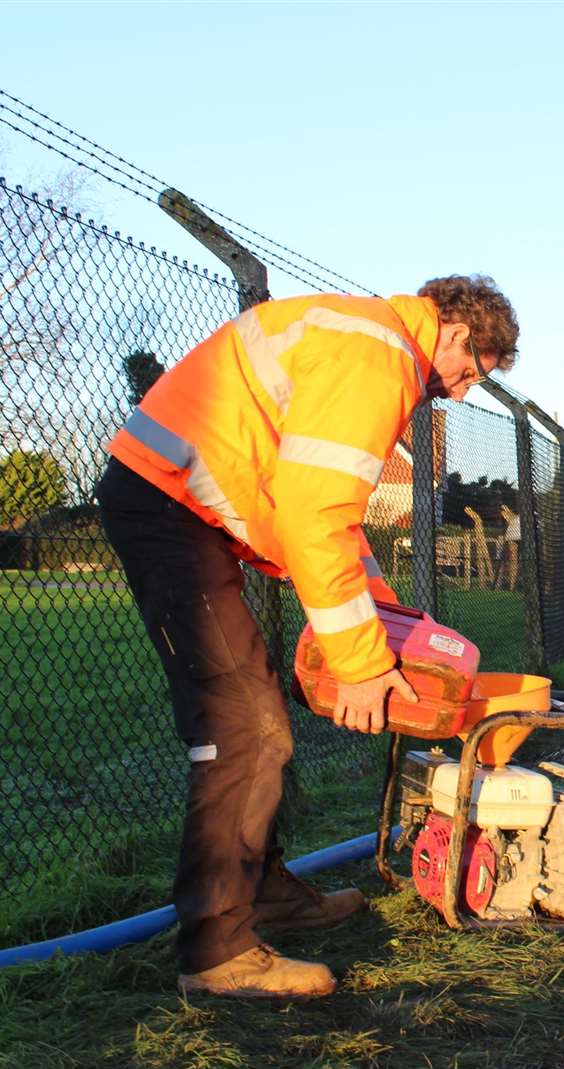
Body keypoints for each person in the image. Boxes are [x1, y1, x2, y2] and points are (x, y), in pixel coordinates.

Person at [96, 275, 518, 998]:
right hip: (166, 507)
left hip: (176, 504)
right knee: (245, 731)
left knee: (259, 721)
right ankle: (216, 952)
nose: (458, 392)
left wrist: (393, 631)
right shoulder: (378, 357)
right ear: (454, 333)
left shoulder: (368, 340)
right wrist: (359, 663)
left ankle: (262, 895)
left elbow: (331, 522)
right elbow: (312, 514)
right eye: (470, 372)